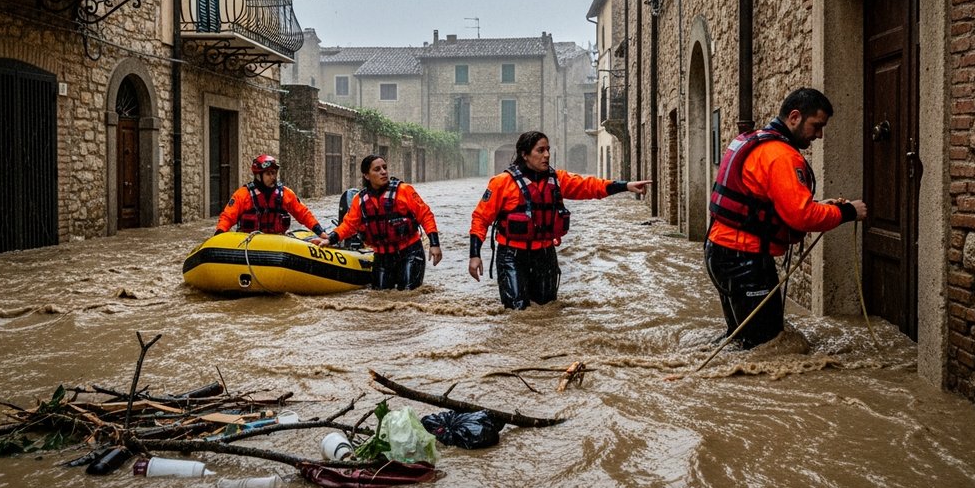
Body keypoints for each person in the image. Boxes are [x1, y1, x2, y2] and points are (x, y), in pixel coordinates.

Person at [704, 87, 868, 348]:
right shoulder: (781, 155)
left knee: (740, 340)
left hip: (721, 252)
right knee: (766, 346)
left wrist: (819, 207)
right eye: (816, 126)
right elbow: (802, 217)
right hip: (744, 260)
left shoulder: (756, 142)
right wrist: (847, 212)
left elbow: (770, 203)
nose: (819, 135)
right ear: (794, 117)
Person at [469, 131, 650, 309]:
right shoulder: (501, 183)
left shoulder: (557, 180)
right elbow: (481, 218)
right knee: (517, 309)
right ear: (524, 154)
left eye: (547, 149)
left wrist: (625, 186)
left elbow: (589, 186)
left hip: (544, 255)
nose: (547, 155)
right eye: (540, 150)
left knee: (546, 309)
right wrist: (475, 255)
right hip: (512, 256)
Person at [313, 155, 442, 290]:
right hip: (382, 257)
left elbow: (425, 215)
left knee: (408, 294)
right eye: (377, 169)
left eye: (385, 168)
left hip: (410, 252)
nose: (383, 172)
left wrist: (434, 244)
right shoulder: (360, 200)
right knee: (379, 295)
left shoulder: (404, 190)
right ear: (367, 176)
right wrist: (330, 239)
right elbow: (349, 225)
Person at [215, 154, 326, 237]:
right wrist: (219, 233)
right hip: (250, 243)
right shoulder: (243, 195)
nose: (273, 177)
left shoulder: (286, 194)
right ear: (258, 176)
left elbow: (303, 214)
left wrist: (319, 231)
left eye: (274, 173)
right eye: (268, 174)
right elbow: (227, 217)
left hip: (277, 242)